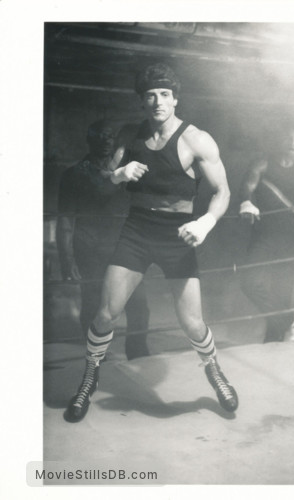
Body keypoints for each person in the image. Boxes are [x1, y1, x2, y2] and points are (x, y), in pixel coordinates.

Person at [65, 63, 238, 422]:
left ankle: (214, 371)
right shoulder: (130, 136)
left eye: (163, 94)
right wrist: (116, 174)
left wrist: (205, 222)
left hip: (178, 234)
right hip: (138, 231)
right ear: (142, 102)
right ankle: (89, 378)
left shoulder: (197, 139)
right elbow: (97, 183)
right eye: (149, 95)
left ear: (175, 99)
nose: (157, 101)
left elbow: (223, 191)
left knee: (192, 323)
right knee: (104, 314)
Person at [56, 120, 150, 360]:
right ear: (90, 140)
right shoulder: (75, 174)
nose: (107, 140)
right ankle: (96, 354)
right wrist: (66, 258)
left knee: (138, 303)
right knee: (94, 302)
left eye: (110, 136)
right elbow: (66, 218)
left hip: (123, 245)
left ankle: (138, 352)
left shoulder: (127, 172)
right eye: (100, 136)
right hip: (90, 247)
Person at [238, 121, 294, 343]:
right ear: (280, 139)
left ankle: (272, 344)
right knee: (248, 281)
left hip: (292, 238)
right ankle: (290, 321)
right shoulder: (263, 164)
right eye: (289, 138)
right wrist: (246, 202)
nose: (293, 143)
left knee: (282, 294)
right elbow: (246, 188)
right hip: (264, 235)